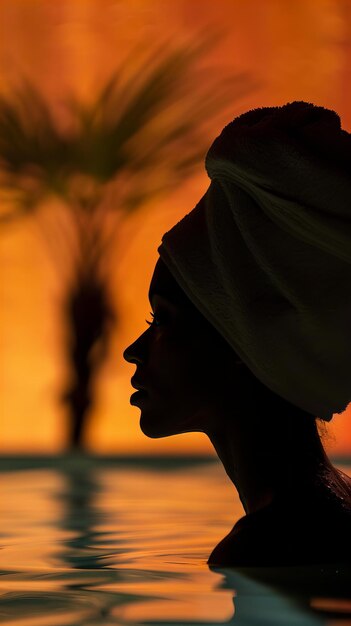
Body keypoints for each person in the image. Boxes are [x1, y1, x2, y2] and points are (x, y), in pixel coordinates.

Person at [123, 101, 351, 566]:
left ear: (242, 342)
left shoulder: (271, 548)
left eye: (161, 321)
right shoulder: (332, 510)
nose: (133, 352)